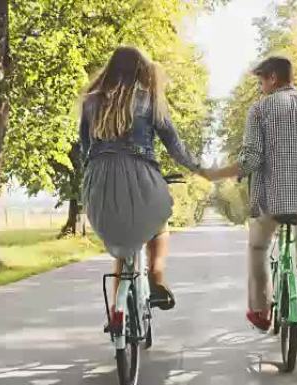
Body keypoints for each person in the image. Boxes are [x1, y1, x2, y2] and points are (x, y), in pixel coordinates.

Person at [204, 56, 297, 331]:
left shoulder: (260, 109)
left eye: (261, 81)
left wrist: (222, 174)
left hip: (271, 199)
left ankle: (261, 310)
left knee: (258, 247)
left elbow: (251, 159)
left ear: (273, 78)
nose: (260, 87)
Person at [79, 46, 207, 316]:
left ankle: (117, 312)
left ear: (110, 69)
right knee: (159, 226)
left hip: (99, 181)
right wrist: (199, 169)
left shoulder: (90, 101)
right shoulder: (149, 100)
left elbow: (84, 149)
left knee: (121, 255)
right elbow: (174, 146)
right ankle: (157, 276)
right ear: (141, 71)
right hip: (140, 174)